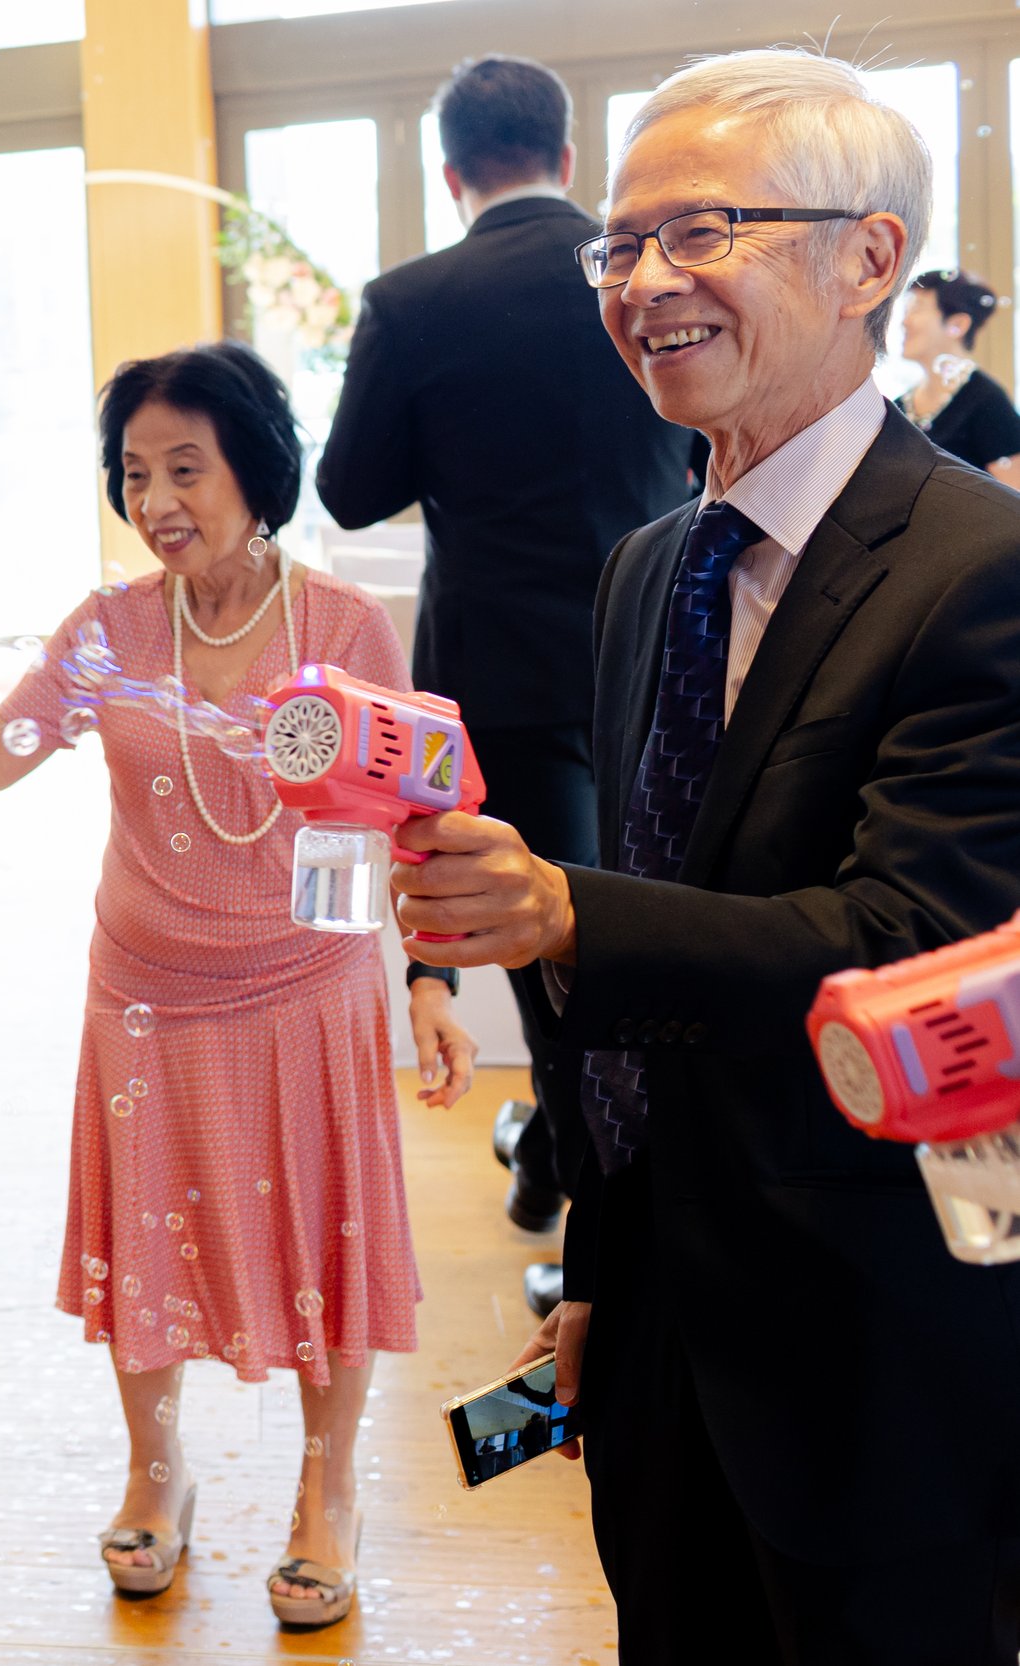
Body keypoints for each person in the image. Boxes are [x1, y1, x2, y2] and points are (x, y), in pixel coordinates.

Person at [396, 50, 1020, 1661]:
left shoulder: (980, 570)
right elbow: (657, 970)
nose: (643, 284)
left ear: (870, 258)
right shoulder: (645, 567)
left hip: (878, 1336)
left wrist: (553, 908)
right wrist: (604, 1262)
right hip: (664, 1319)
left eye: (705, 232)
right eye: (621, 244)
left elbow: (908, 933)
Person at [0, 341, 478, 1629]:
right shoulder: (107, 632)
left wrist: (429, 985)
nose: (156, 498)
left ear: (254, 472)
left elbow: (418, 815)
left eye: (184, 469)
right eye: (134, 472)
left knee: (326, 1240)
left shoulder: (340, 627)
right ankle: (156, 1475)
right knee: (147, 1240)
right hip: (145, 994)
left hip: (307, 991)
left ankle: (326, 1492)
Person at [318, 55, 696, 1312]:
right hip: (663, 653)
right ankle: (556, 1161)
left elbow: (351, 488)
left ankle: (588, 1237)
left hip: (502, 675)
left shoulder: (414, 299)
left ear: (450, 171)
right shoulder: (648, 278)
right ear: (569, 156)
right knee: (637, 927)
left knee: (540, 951)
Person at [896, 269, 1020, 484]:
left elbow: (1014, 498)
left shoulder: (987, 402)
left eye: (915, 310)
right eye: (906, 310)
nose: (904, 322)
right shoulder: (900, 406)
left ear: (958, 324)